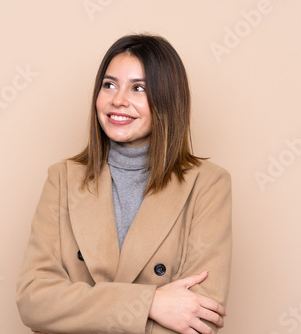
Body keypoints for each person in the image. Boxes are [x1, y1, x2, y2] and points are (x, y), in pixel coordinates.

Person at [16, 34, 232, 334]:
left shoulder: (208, 184)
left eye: (138, 88)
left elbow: (200, 316)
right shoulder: (62, 179)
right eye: (109, 84)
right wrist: (151, 302)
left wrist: (79, 312)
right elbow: (33, 301)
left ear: (168, 99)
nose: (118, 99)